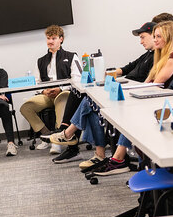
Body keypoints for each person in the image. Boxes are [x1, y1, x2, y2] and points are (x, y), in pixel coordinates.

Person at [49, 21, 157, 169]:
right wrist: (105, 74)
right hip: (124, 89)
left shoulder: (159, 56)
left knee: (89, 102)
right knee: (91, 104)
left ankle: (68, 133)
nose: (141, 41)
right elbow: (127, 68)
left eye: (143, 37)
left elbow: (149, 83)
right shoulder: (148, 54)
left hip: (131, 95)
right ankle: (98, 154)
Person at [89, 21, 173, 176]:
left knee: (132, 117)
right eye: (154, 36)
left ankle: (118, 159)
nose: (154, 40)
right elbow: (149, 83)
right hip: (158, 102)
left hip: (166, 107)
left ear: (168, 38)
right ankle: (118, 159)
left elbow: (157, 83)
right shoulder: (161, 56)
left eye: (158, 36)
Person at [19, 25, 81, 162]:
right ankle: (47, 135)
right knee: (26, 107)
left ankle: (57, 140)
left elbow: (77, 79)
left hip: (63, 92)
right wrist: (43, 91)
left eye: (53, 38)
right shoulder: (40, 61)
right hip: (46, 95)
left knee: (61, 99)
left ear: (61, 39)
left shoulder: (71, 56)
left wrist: (60, 88)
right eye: (48, 38)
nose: (50, 41)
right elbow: (35, 81)